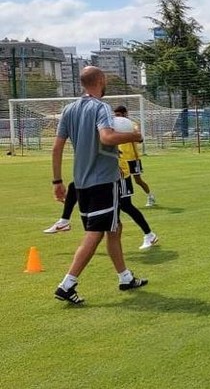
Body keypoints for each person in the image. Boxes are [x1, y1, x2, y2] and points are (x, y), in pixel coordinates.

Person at [50, 66, 148, 304]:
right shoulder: (101, 107)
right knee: (95, 233)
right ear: (101, 80)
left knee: (114, 228)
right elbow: (106, 137)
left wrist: (58, 181)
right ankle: (67, 284)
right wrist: (134, 136)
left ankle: (125, 277)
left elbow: (57, 147)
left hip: (82, 183)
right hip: (103, 180)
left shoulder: (69, 109)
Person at [43, 107, 163, 254]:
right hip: (108, 170)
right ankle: (64, 221)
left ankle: (149, 234)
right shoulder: (108, 128)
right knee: (75, 185)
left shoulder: (127, 127)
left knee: (126, 205)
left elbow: (137, 138)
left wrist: (132, 138)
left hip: (121, 171)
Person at [112, 105, 157, 206]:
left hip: (133, 158)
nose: (117, 117)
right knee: (120, 180)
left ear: (125, 114)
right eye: (116, 115)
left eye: (119, 115)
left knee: (138, 180)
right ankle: (123, 201)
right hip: (121, 159)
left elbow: (139, 137)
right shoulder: (114, 126)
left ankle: (150, 195)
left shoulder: (132, 124)